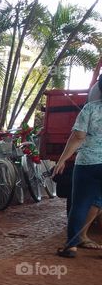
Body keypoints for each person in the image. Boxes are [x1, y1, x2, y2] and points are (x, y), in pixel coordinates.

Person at [54, 95, 102, 257]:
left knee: (80, 204)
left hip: (87, 163)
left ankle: (71, 246)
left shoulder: (90, 108)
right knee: (99, 203)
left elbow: (78, 136)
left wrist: (62, 160)